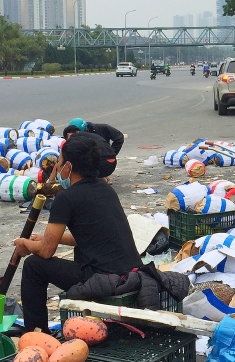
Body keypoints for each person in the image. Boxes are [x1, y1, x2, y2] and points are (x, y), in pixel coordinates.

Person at [12, 132, 142, 331]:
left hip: (104, 278)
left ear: (69, 167)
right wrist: (47, 239)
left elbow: (47, 251)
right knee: (78, 253)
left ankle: (37, 334)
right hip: (130, 272)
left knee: (33, 266)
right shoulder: (105, 188)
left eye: (60, 161)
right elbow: (89, 237)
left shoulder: (67, 199)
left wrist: (26, 245)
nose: (57, 166)